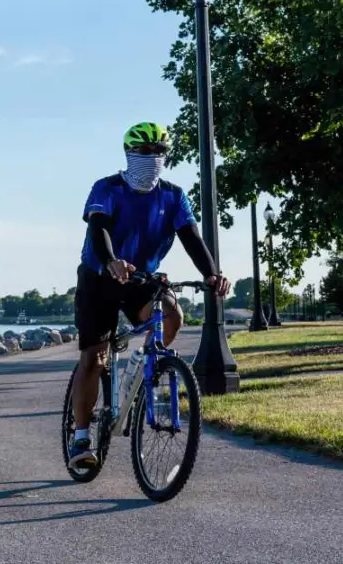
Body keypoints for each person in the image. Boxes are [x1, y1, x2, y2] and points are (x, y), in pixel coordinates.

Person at [67, 122, 231, 469]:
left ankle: (143, 368)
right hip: (100, 277)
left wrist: (212, 273)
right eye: (144, 152)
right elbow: (98, 228)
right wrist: (111, 261)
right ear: (129, 154)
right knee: (94, 360)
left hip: (141, 277)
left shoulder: (172, 195)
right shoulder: (107, 188)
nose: (152, 158)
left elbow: (190, 237)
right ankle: (81, 437)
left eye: (158, 152)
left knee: (173, 317)